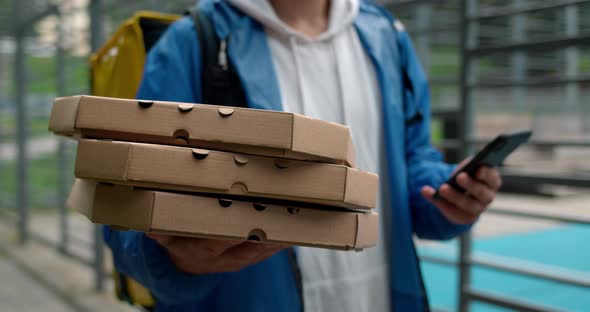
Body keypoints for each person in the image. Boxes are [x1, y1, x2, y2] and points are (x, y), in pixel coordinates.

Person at [104, 0, 503, 311]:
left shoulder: (386, 36)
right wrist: (178, 258)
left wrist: (449, 198)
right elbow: (127, 205)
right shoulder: (194, 41)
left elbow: (411, 161)